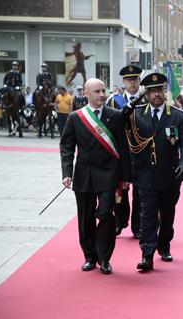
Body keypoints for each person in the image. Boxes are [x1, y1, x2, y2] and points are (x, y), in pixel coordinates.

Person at [124, 72, 183, 272]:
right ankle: (147, 254)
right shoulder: (136, 114)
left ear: (165, 92)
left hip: (170, 175)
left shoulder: (178, 115)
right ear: (146, 94)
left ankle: (164, 245)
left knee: (167, 214)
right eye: (152, 91)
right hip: (145, 175)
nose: (156, 95)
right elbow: (123, 127)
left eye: (159, 90)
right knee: (147, 215)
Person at [60, 78, 130, 275]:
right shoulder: (76, 117)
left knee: (106, 215)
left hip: (109, 174)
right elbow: (66, 147)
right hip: (84, 174)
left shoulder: (115, 116)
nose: (102, 95)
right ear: (86, 94)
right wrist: (66, 173)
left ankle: (104, 257)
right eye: (97, 92)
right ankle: (89, 256)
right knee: (85, 218)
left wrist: (125, 177)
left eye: (103, 91)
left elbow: (123, 148)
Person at [107, 65, 146, 239]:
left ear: (139, 81)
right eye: (129, 80)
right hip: (121, 153)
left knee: (140, 192)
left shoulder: (147, 100)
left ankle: (137, 226)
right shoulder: (114, 101)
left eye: (135, 79)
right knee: (120, 192)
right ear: (123, 82)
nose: (132, 83)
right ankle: (119, 222)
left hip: (141, 153)